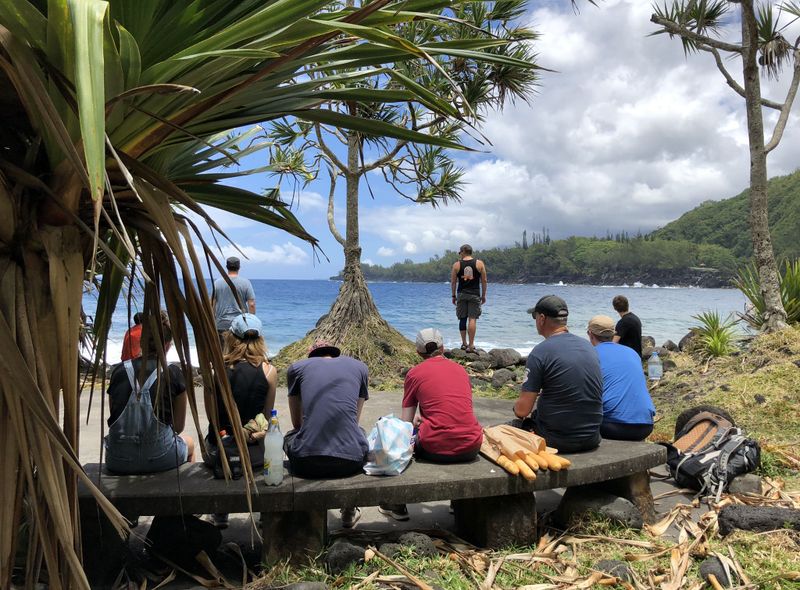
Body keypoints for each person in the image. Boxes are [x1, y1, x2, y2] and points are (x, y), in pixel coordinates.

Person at [379, 328, 483, 521]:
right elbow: (458, 411)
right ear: (443, 348)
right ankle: (456, 502)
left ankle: (397, 503)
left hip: (435, 448)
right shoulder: (460, 370)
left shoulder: (415, 374)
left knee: (402, 438)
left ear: (418, 352)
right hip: (471, 445)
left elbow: (406, 423)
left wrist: (418, 423)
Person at [285, 340, 369, 528]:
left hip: (306, 464)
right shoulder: (360, 368)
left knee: (290, 435)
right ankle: (349, 510)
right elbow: (354, 421)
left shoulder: (297, 368)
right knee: (357, 432)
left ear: (312, 357)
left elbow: (297, 424)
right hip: (350, 463)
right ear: (333, 354)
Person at [205, 313, 277, 529]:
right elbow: (266, 417)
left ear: (230, 338)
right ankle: (264, 512)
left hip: (220, 452)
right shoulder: (269, 371)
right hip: (253, 452)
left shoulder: (215, 370)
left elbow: (212, 417)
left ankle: (220, 513)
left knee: (215, 435)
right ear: (260, 339)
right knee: (271, 440)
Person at [105, 310, 195, 474]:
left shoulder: (119, 371)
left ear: (142, 341)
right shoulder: (173, 374)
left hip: (118, 458)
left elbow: (115, 416)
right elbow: (178, 427)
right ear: (168, 345)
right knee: (189, 443)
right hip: (159, 456)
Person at [511, 295, 603, 453]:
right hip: (592, 437)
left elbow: (522, 410)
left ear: (541, 318)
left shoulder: (540, 352)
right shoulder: (588, 347)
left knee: (510, 427)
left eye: (535, 317)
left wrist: (516, 407)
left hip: (556, 439)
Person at [587, 315, 655, 441]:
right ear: (614, 334)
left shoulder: (590, 355)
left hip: (613, 426)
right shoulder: (632, 353)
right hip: (646, 425)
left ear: (590, 334)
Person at [450, 244, 487, 353]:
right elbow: (484, 281)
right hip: (475, 294)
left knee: (462, 318)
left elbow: (453, 282)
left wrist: (453, 295)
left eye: (460, 252)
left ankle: (464, 343)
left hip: (461, 294)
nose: (459, 254)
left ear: (463, 252)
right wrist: (483, 295)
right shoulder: (479, 263)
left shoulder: (457, 265)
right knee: (472, 319)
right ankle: (471, 345)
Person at [212, 256, 256, 341]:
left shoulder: (217, 283)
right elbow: (251, 304)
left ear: (227, 267)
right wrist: (251, 322)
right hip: (240, 325)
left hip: (221, 324)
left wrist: (213, 321)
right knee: (239, 353)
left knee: (222, 353)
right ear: (239, 267)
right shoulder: (246, 283)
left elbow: (212, 305)